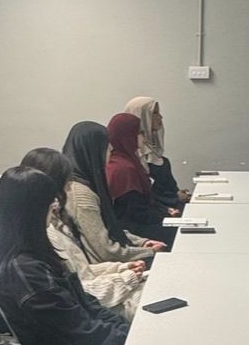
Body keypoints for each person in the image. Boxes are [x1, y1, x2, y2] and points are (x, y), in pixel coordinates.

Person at [0, 167, 130, 345]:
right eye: (49, 200)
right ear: (31, 210)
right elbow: (82, 333)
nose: (55, 204)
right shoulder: (25, 271)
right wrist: (130, 338)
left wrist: (126, 330)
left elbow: (87, 306)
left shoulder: (26, 256)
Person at [21, 148, 145, 320]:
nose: (70, 187)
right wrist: (125, 278)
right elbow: (77, 293)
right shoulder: (47, 233)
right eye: (66, 182)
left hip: (99, 293)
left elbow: (81, 272)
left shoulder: (57, 221)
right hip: (96, 306)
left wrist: (120, 269)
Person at [61, 121, 163, 265]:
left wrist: (142, 242)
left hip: (113, 261)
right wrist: (149, 252)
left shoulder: (87, 181)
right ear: (93, 150)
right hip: (104, 269)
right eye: (106, 144)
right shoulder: (80, 193)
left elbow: (109, 228)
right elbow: (105, 251)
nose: (111, 147)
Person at [105, 112, 177, 242]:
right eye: (140, 133)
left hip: (138, 223)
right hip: (132, 230)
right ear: (128, 135)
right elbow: (136, 213)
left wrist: (165, 211)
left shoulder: (128, 160)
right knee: (178, 234)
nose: (144, 137)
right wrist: (165, 217)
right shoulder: (123, 168)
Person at [124, 96, 188, 211]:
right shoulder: (135, 155)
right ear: (142, 115)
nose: (161, 117)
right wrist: (175, 198)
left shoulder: (152, 147)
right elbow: (145, 195)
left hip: (169, 205)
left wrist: (176, 193)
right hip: (156, 211)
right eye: (155, 113)